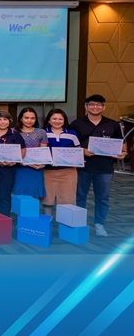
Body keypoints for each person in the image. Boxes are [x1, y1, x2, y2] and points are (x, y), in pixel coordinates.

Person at [70, 95, 127, 237]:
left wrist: (123, 153)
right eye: (92, 104)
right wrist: (82, 150)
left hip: (104, 167)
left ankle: (99, 224)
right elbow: (69, 145)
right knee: (80, 196)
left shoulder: (112, 124)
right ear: (86, 106)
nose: (95, 107)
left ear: (104, 107)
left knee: (102, 197)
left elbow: (121, 144)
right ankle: (79, 223)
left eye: (99, 104)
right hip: (82, 166)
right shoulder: (76, 124)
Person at [0, 110, 26, 216]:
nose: (2, 122)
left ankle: (4, 220)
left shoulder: (15, 134)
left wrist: (13, 161)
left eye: (5, 119)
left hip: (8, 169)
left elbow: (22, 150)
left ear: (10, 121)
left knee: (4, 195)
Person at [43, 109, 81, 216]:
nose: (57, 121)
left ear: (64, 121)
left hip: (68, 171)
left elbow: (77, 150)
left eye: (60, 119)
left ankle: (65, 223)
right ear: (49, 120)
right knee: (47, 198)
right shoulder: (43, 132)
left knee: (67, 199)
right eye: (54, 119)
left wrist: (78, 159)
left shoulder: (72, 134)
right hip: (47, 171)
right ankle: (48, 220)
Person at [12, 107, 48, 201]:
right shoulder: (13, 132)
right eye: (26, 118)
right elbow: (10, 151)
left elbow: (43, 151)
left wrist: (42, 164)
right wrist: (20, 162)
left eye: (32, 118)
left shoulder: (41, 132)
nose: (29, 120)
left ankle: (34, 211)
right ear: (21, 118)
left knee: (34, 195)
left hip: (36, 168)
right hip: (19, 168)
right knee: (19, 195)